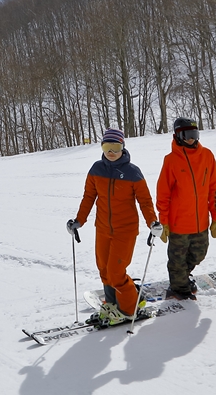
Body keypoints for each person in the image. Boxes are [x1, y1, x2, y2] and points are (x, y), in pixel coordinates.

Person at [67, 128, 162, 326]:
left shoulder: (132, 172)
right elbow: (88, 197)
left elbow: (144, 200)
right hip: (102, 228)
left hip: (125, 229)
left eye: (115, 147)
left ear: (123, 148)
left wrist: (152, 222)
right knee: (103, 269)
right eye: (107, 147)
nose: (111, 152)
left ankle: (129, 309)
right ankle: (111, 305)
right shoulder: (96, 169)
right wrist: (79, 220)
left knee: (116, 272)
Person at [156, 117, 216, 301]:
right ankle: (179, 289)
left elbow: (214, 190)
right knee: (177, 260)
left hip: (201, 221)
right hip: (178, 224)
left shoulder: (207, 156)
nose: (191, 139)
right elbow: (163, 195)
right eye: (186, 135)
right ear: (177, 136)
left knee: (199, 254)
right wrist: (164, 222)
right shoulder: (170, 161)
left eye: (194, 134)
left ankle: (183, 278)